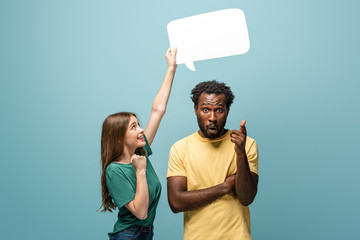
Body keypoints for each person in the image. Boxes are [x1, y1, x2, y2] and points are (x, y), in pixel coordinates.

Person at [99, 48, 177, 240]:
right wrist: (140, 171)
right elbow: (141, 213)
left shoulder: (140, 151)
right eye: (133, 127)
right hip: (128, 235)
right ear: (118, 138)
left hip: (145, 233)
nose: (141, 130)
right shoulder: (114, 171)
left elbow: (158, 110)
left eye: (138, 124)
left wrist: (171, 68)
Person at [167, 80, 259, 240]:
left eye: (218, 110)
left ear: (227, 110)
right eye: (205, 110)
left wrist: (241, 154)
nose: (212, 117)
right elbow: (176, 202)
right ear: (196, 110)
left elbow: (247, 198)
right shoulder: (180, 148)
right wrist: (224, 187)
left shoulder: (246, 144)